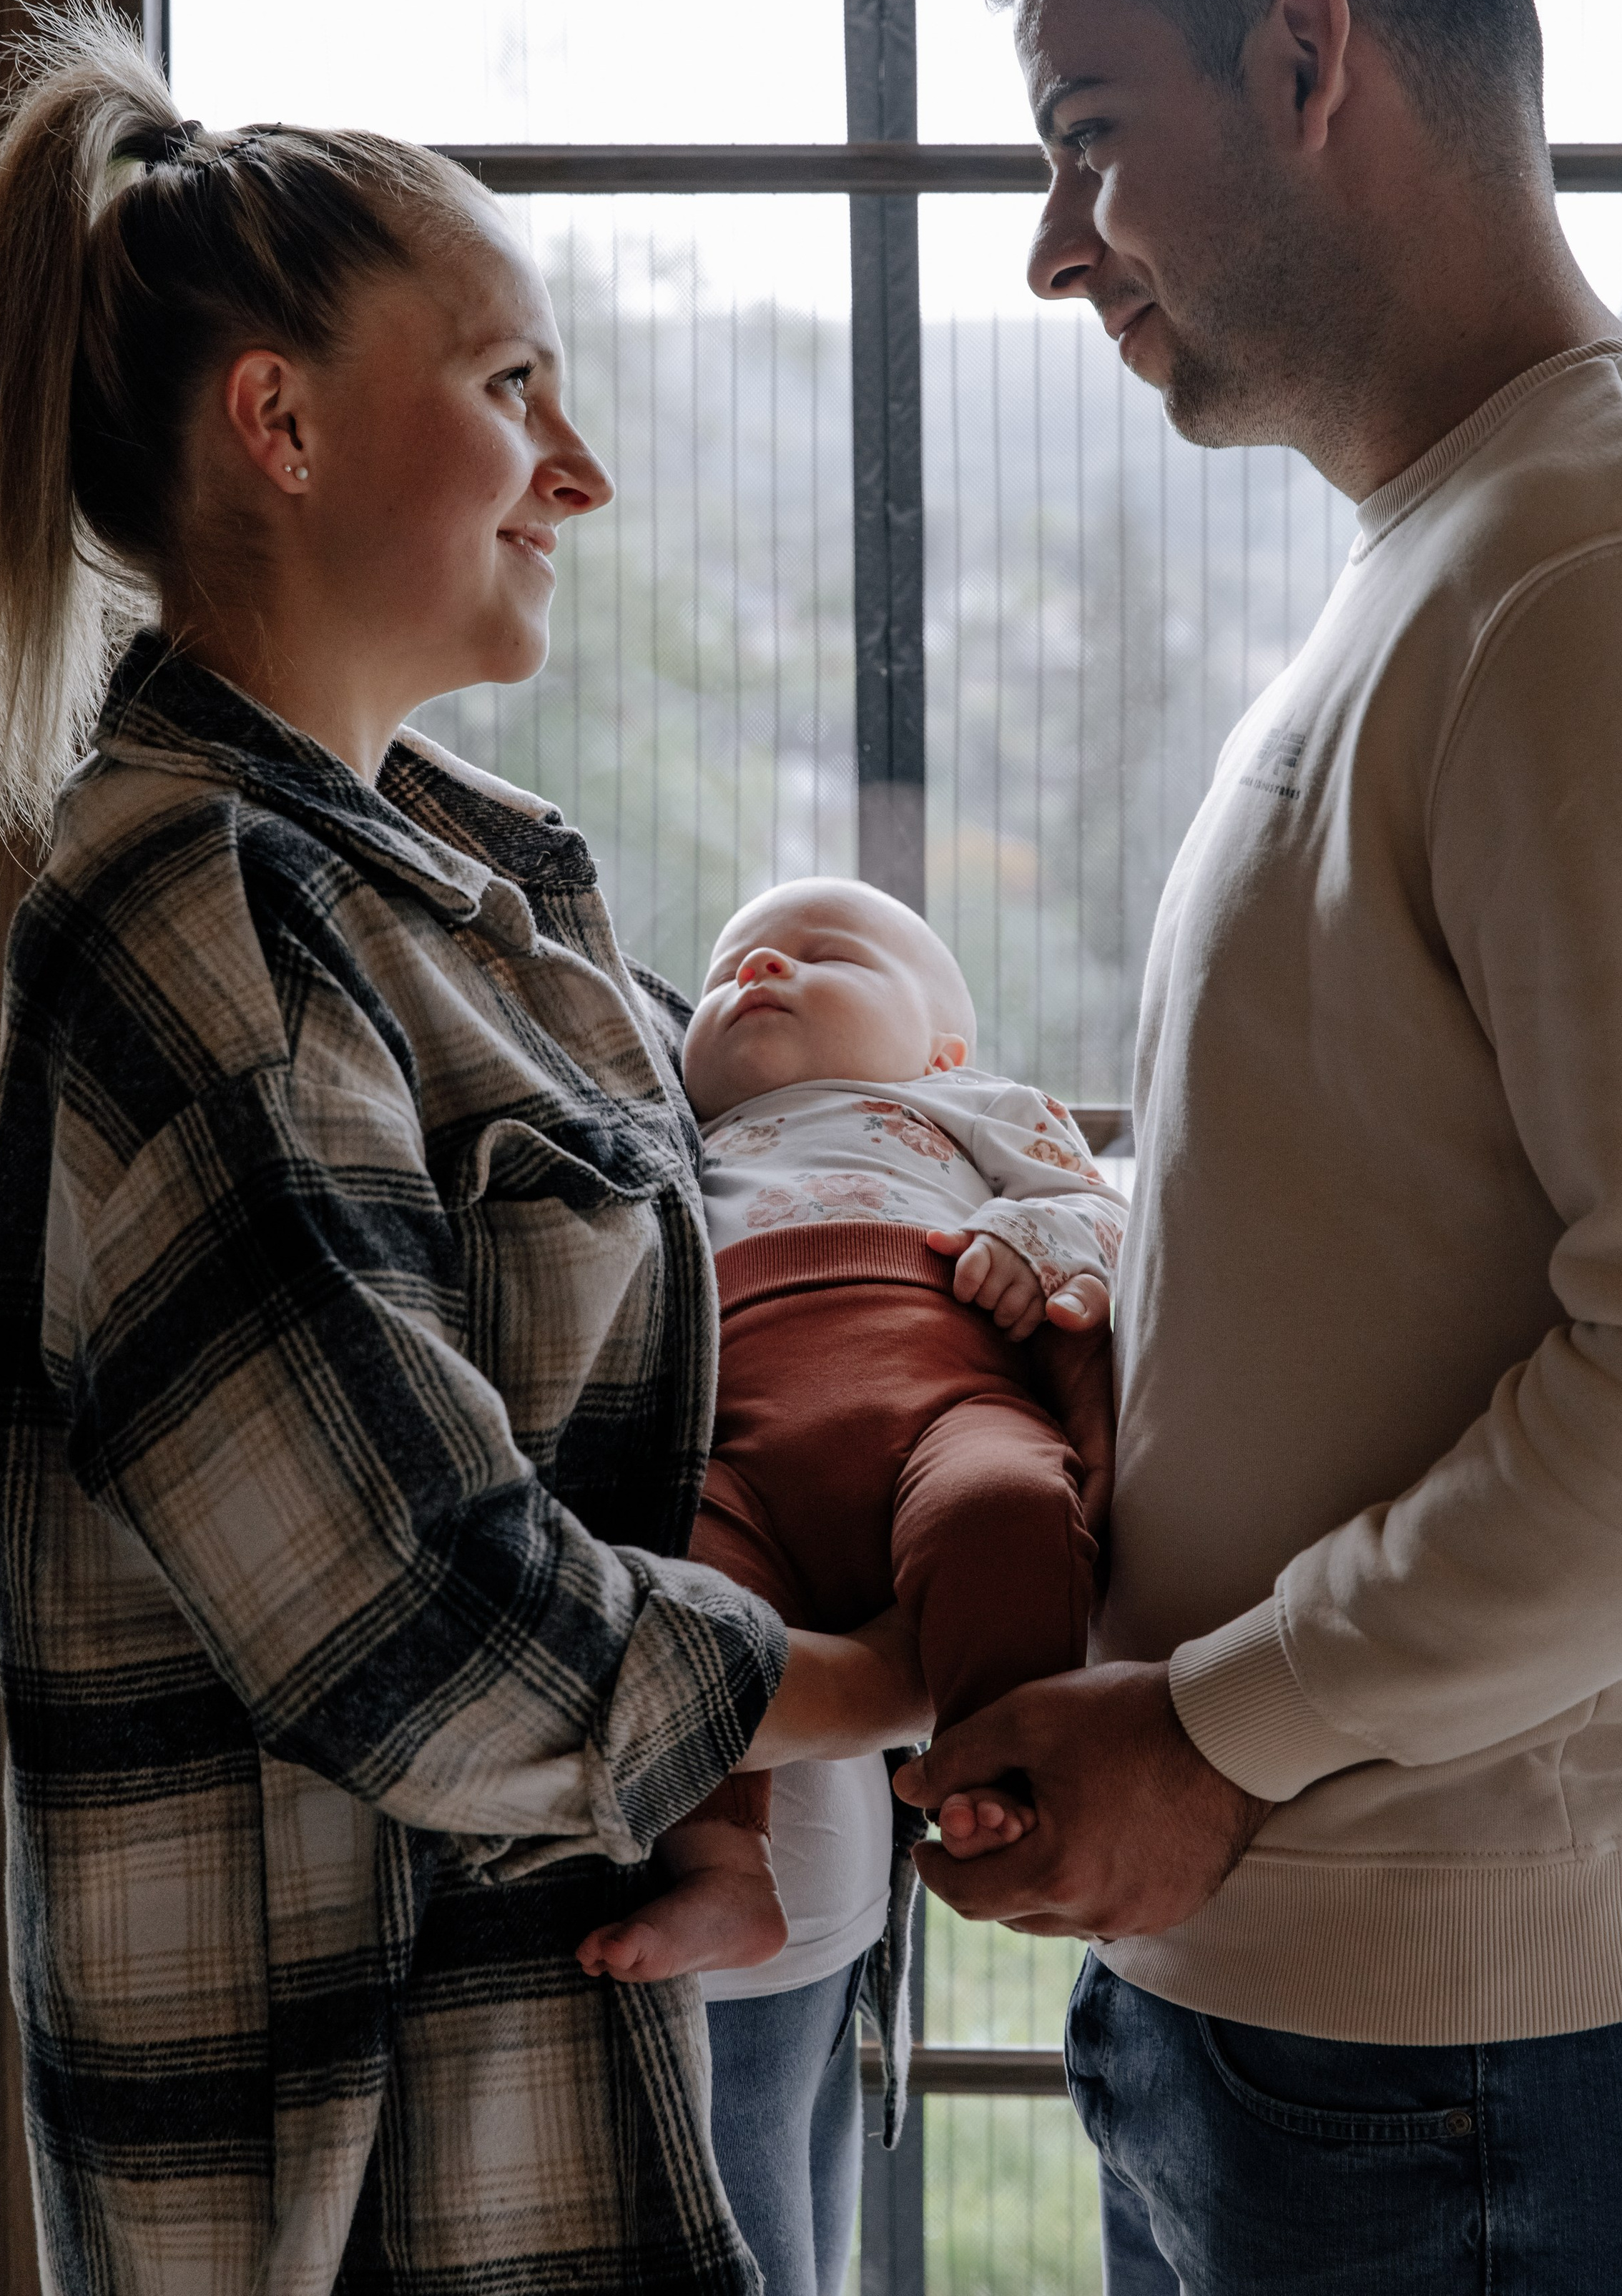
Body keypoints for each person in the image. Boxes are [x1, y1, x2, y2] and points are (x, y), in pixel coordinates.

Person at [0, 0, 926, 2294]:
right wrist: (895, 1681)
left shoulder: (469, 891)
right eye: (508, 390)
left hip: (572, 2113)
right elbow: (424, 1623)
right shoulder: (200, 916)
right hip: (367, 2198)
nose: (577, 473)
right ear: (273, 421)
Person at [897, 0, 1622, 2293]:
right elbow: (1417, 1209)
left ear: (1305, 62)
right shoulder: (1467, 557)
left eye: (1084, 131)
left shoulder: (1613, 574)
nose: (1058, 245)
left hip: (1474, 2082)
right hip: (1345, 2048)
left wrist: (1208, 1731)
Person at [580, 877, 1121, 2296]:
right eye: (727, 967)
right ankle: (722, 1868)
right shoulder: (678, 1144)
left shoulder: (969, 1114)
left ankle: (1000, 1772)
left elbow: (1105, 1221)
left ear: (944, 1046)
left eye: (826, 953)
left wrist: (1041, 1250)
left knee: (1007, 1507)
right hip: (743, 1460)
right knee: (683, 1602)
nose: (759, 961)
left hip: (930, 1412)